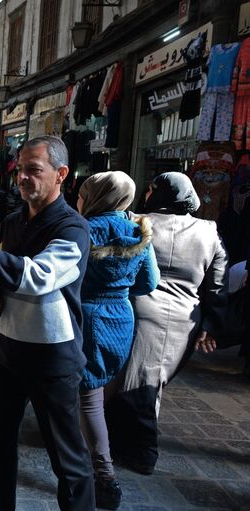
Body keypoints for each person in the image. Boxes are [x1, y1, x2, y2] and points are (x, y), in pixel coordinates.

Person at [0, 136, 95, 510]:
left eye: (33, 170)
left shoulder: (73, 229)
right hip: (6, 349)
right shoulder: (13, 220)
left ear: (61, 175)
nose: (23, 178)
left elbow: (37, 276)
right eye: (20, 170)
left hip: (51, 357)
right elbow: (0, 273)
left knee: (67, 457)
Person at [105, 172, 228, 476]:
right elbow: (218, 284)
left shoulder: (137, 220)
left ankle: (143, 453)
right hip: (185, 321)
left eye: (151, 189)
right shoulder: (209, 231)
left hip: (140, 313)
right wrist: (210, 325)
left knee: (135, 385)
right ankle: (121, 443)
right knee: (149, 383)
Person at [75, 172, 159, 510]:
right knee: (98, 390)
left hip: (85, 318)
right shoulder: (140, 231)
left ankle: (104, 477)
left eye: (82, 194)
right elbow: (149, 282)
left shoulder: (83, 229)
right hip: (120, 317)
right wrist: (117, 291)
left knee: (89, 399)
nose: (78, 200)